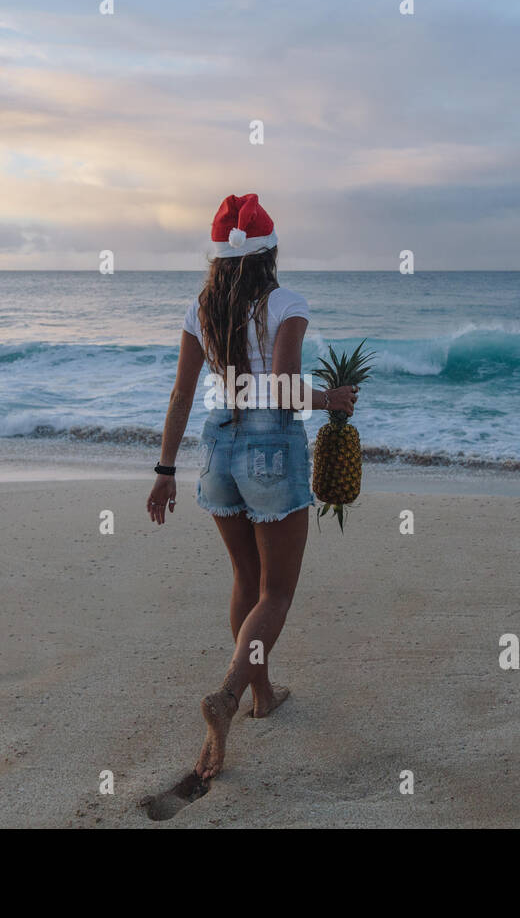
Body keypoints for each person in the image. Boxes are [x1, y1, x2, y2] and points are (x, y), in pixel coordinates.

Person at [147, 193, 358, 780]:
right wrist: (331, 399)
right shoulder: (285, 303)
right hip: (270, 449)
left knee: (246, 579)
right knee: (278, 592)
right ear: (270, 253)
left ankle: (263, 694)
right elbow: (288, 389)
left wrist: (165, 472)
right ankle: (229, 695)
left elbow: (182, 396)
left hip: (218, 445)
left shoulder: (202, 309)